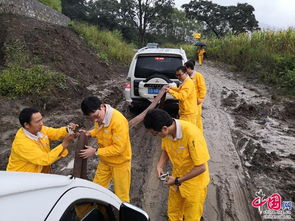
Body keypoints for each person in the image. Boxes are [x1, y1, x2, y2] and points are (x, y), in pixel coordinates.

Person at [144, 109, 210, 221]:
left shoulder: (192, 134)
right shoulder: (167, 134)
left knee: (192, 217)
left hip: (194, 185)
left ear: (164, 128)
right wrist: (160, 166)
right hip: (177, 178)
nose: (156, 136)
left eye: (155, 133)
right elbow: (166, 150)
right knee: (173, 212)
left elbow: (201, 167)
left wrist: (177, 180)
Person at [79, 96, 132, 202]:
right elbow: (99, 130)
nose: (95, 120)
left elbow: (118, 148)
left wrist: (95, 151)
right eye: (91, 119)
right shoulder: (98, 117)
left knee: (121, 196)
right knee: (96, 189)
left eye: (96, 116)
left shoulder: (118, 121)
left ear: (102, 106)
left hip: (120, 163)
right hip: (105, 161)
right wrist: (90, 133)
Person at [6, 108, 77, 173]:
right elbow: (45, 159)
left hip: (38, 175)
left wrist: (68, 129)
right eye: (38, 121)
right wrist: (64, 144)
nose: (41, 123)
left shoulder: (38, 130)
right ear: (26, 125)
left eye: (41, 120)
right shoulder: (22, 143)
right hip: (22, 180)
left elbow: (55, 133)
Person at [185, 61, 207, 131]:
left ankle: (199, 134)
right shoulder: (187, 77)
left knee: (197, 119)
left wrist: (200, 99)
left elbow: (202, 88)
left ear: (189, 68)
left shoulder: (198, 76)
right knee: (191, 118)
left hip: (197, 102)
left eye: (185, 68)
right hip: (190, 102)